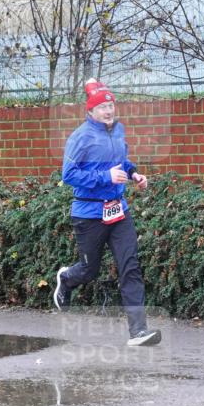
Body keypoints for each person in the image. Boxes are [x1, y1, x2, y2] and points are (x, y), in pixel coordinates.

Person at [53, 79, 161, 347]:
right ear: (90, 111)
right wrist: (105, 176)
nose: (109, 110)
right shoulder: (80, 137)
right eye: (102, 106)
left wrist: (134, 173)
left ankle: (138, 331)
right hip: (89, 213)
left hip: (118, 212)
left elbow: (120, 161)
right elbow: (69, 175)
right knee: (89, 270)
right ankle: (66, 280)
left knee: (130, 266)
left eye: (111, 104)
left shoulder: (117, 130)